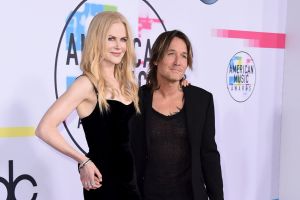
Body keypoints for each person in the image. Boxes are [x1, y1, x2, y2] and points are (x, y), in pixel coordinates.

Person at [36, 11, 140, 200]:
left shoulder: (128, 84)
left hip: (133, 182)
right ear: (97, 40)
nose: (119, 46)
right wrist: (83, 161)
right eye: (111, 39)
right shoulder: (86, 84)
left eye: (123, 39)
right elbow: (44, 128)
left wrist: (183, 85)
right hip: (104, 184)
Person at [130, 30, 224, 200]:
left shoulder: (202, 101)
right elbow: (126, 152)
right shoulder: (136, 100)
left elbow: (209, 155)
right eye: (171, 54)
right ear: (157, 59)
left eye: (183, 56)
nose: (177, 62)